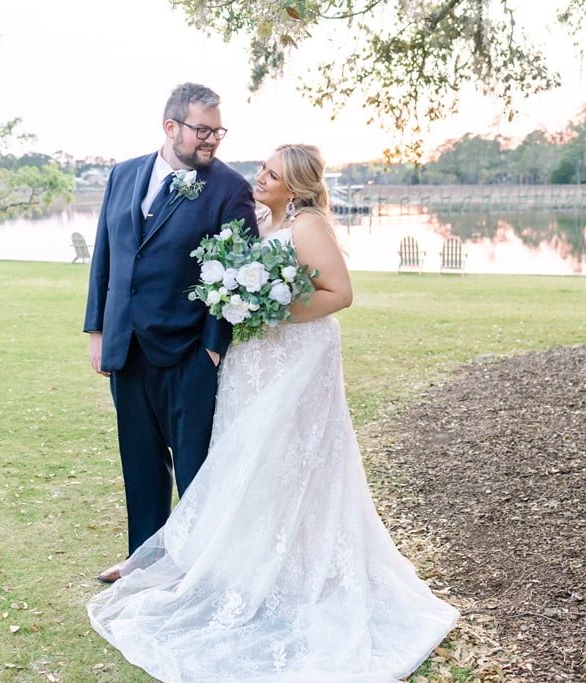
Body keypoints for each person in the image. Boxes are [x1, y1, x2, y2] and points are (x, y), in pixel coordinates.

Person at [87, 144, 459, 681]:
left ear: (297, 186)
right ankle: (243, 563)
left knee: (291, 458)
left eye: (272, 174)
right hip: (253, 358)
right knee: (249, 461)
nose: (258, 177)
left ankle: (295, 573)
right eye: (262, 168)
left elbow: (340, 293)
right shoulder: (261, 219)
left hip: (296, 357)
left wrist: (270, 310)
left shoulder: (307, 226)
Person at [83, 83, 258, 584]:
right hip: (126, 346)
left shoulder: (228, 188)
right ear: (171, 127)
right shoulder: (123, 174)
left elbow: (235, 275)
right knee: (138, 459)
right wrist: (97, 329)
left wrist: (212, 349)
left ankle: (200, 568)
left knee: (195, 469)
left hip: (188, 352)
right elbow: (106, 258)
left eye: (217, 131)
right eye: (202, 130)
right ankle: (143, 560)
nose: (212, 140)